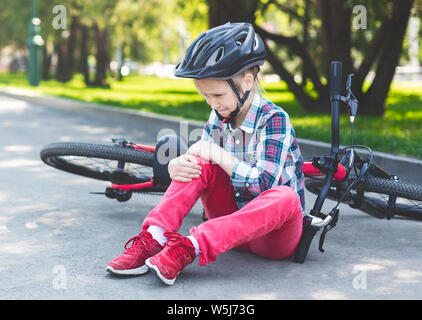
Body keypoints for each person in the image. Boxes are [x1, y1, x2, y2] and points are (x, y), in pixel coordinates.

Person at [106, 22, 305, 285]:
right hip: (229, 227)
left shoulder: (274, 119)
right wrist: (179, 166)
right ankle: (155, 237)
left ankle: (190, 247)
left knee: (286, 198)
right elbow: (204, 164)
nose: (212, 103)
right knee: (199, 160)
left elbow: (264, 183)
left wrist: (218, 154)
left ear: (246, 82)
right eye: (205, 97)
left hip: (271, 239)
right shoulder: (218, 116)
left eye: (217, 94)